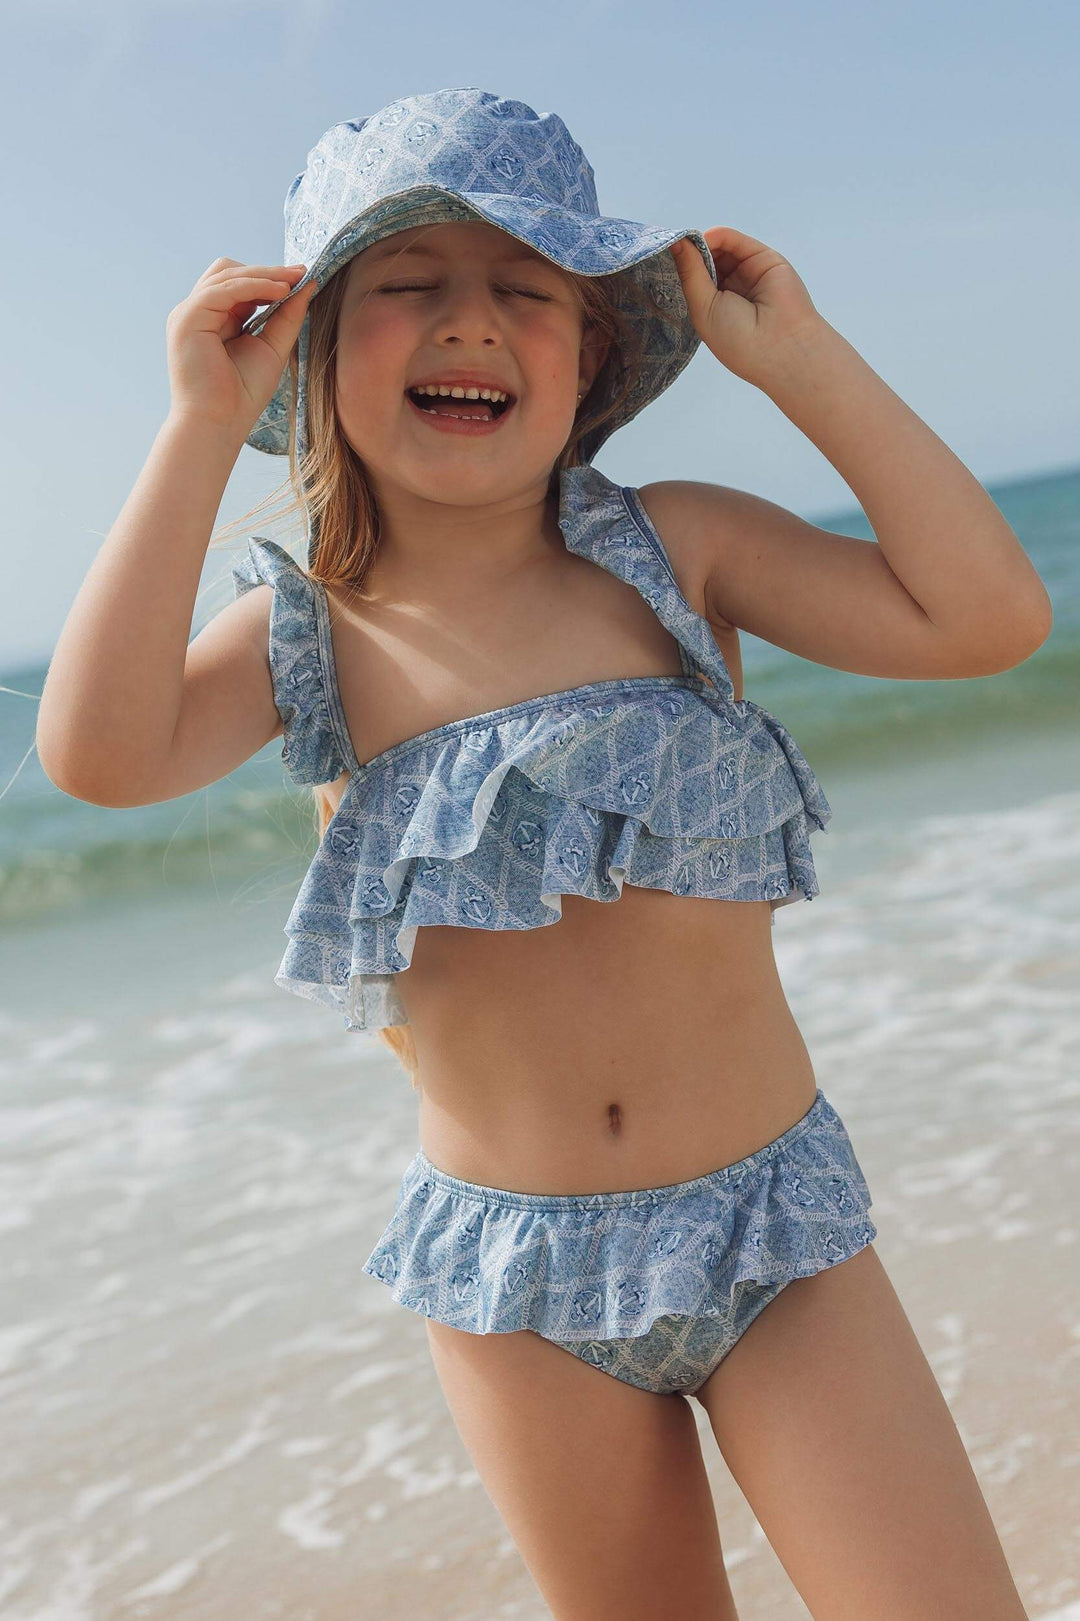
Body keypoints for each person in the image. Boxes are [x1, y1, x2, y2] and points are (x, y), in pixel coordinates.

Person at [37, 87, 1051, 1621]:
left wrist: (803, 363)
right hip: (514, 1284)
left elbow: (989, 620)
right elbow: (98, 756)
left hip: (772, 1231)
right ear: (310, 353)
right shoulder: (309, 631)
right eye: (406, 289)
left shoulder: (681, 550)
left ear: (591, 359)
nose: (471, 324)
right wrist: (193, 427)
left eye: (525, 289)